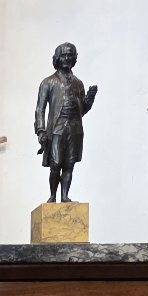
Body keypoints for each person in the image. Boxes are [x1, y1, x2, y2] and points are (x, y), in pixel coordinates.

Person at [34, 42, 97, 203]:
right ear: (57, 58)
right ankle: (53, 196)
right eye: (64, 55)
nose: (67, 58)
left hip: (75, 129)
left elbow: (81, 110)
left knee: (69, 164)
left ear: (75, 58)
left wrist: (90, 99)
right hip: (56, 128)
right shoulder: (48, 82)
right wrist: (41, 131)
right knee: (56, 164)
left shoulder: (78, 83)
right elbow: (40, 109)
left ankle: (64, 196)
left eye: (70, 55)